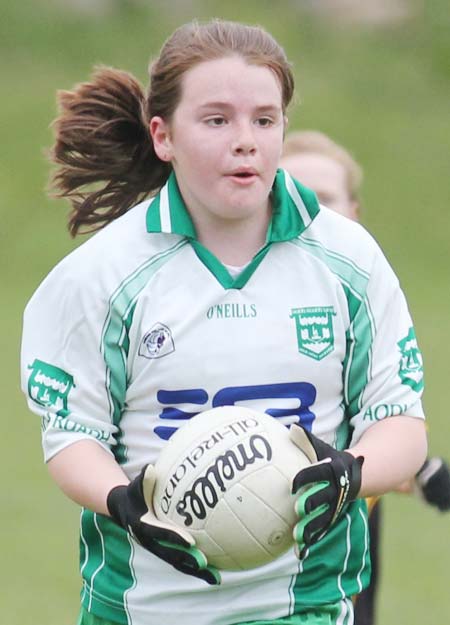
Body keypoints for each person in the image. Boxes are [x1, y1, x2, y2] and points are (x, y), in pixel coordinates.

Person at [20, 19, 428, 625]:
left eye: (264, 120)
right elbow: (72, 437)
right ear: (163, 136)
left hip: (306, 606)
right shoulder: (102, 275)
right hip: (142, 609)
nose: (246, 141)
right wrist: (121, 499)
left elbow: (400, 423)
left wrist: (353, 472)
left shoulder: (350, 261)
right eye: (217, 120)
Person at [281, 129, 450, 625]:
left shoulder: (369, 304)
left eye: (328, 198)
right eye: (298, 194)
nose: (316, 211)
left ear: (354, 210)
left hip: (340, 576)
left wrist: (419, 472)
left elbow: (382, 420)